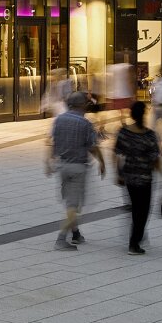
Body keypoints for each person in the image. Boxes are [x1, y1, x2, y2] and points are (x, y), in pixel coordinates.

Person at [48, 91, 104, 249]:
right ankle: (61, 239)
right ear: (81, 105)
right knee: (74, 205)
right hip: (78, 167)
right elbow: (93, 146)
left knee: (70, 202)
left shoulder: (59, 120)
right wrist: (102, 161)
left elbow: (53, 141)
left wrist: (50, 159)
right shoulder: (85, 123)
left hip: (62, 166)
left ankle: (76, 233)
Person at [112, 101, 162, 255]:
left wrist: (118, 174)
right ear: (144, 115)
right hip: (145, 178)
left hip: (129, 177)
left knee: (135, 208)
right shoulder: (149, 135)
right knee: (143, 211)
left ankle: (135, 239)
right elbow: (156, 159)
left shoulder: (123, 132)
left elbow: (116, 153)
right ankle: (134, 242)